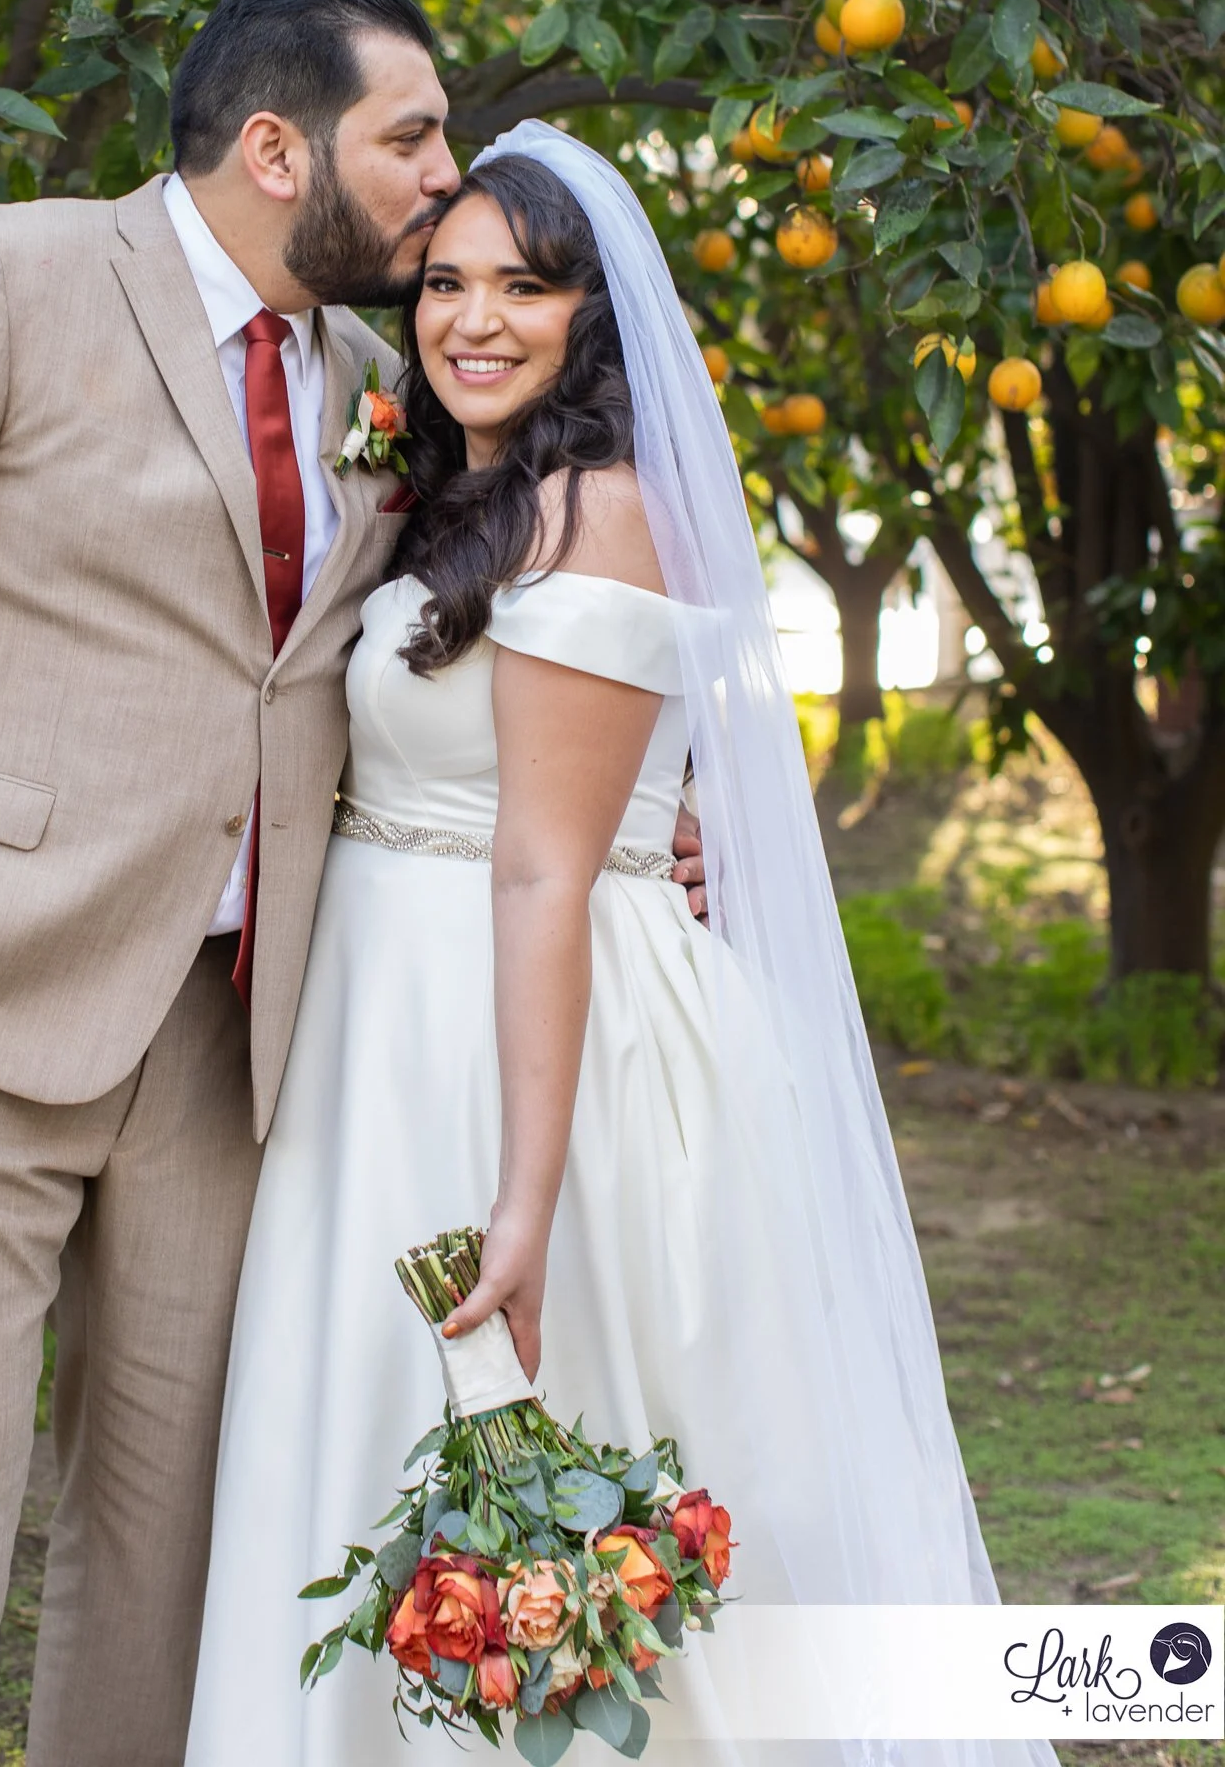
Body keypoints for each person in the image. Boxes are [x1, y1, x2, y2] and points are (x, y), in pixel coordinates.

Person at [184, 128, 1057, 1767]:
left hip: (524, 1043)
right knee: (377, 1450)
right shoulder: (469, 491)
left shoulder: (590, 508)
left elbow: (542, 871)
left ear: (597, 313)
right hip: (391, 1029)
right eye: (446, 281)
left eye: (529, 283)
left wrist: (521, 1202)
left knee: (570, 1481)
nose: (475, 319)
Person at [0, 0, 466, 1767]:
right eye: (416, 137)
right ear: (281, 148)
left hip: (225, 1055)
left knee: (170, 1578)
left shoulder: (377, 376)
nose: (450, 178)